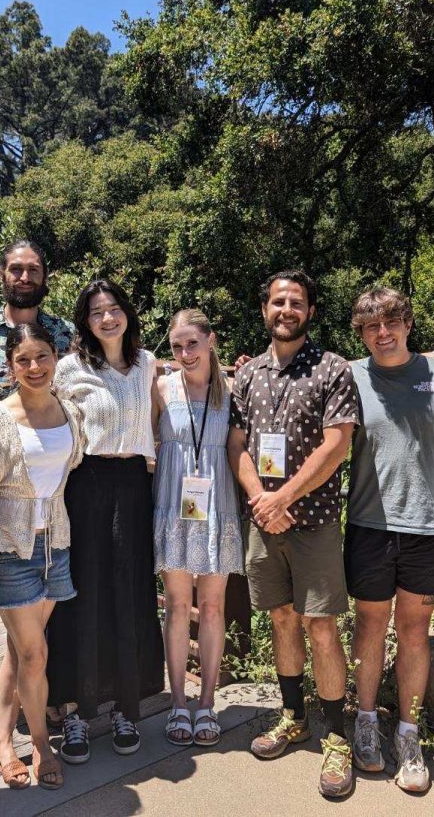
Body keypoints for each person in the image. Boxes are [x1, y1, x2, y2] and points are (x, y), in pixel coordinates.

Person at [226, 269, 360, 799]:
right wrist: (262, 499)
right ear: (264, 309)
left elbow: (336, 446)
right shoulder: (247, 374)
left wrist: (284, 498)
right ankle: (292, 716)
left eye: (296, 302)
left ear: (310, 311)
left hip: (315, 522)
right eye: (278, 301)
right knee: (282, 619)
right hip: (263, 520)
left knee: (321, 626)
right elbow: (236, 443)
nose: (287, 310)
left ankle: (337, 737)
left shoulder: (332, 369)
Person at [345, 287, 434, 792]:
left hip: (431, 524)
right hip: (370, 523)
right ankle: (366, 722)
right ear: (362, 331)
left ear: (408, 323)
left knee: (415, 631)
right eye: (371, 326)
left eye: (391, 322)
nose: (382, 333)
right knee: (370, 626)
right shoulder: (350, 376)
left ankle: (409, 735)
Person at [0, 238, 75, 744]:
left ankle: (31, 687)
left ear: (44, 275)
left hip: (45, 472)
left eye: (33, 269)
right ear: (1, 273)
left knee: (31, 602)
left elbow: (85, 381)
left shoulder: (63, 332)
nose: (24, 277)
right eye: (15, 269)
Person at [46, 278, 165, 764]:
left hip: (134, 483)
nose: (107, 318)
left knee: (129, 590)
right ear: (85, 321)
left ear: (127, 313)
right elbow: (45, 419)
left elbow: (171, 405)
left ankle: (123, 706)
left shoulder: (148, 364)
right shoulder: (70, 367)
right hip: (86, 483)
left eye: (114, 309)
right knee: (81, 591)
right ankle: (73, 709)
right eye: (96, 312)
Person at [0, 323, 82, 791]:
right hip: (10, 546)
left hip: (53, 543)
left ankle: (3, 738)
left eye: (42, 356)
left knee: (22, 650)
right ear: (10, 365)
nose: (35, 367)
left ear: (56, 356)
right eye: (24, 360)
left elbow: (70, 465)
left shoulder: (69, 411)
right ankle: (40, 743)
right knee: (35, 653)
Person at [153, 309, 244, 747]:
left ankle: (206, 702)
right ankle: (177, 703)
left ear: (210, 341)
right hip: (174, 503)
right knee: (175, 605)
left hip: (217, 506)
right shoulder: (160, 388)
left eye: (193, 343)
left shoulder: (233, 389)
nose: (185, 353)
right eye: (177, 346)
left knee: (211, 606)